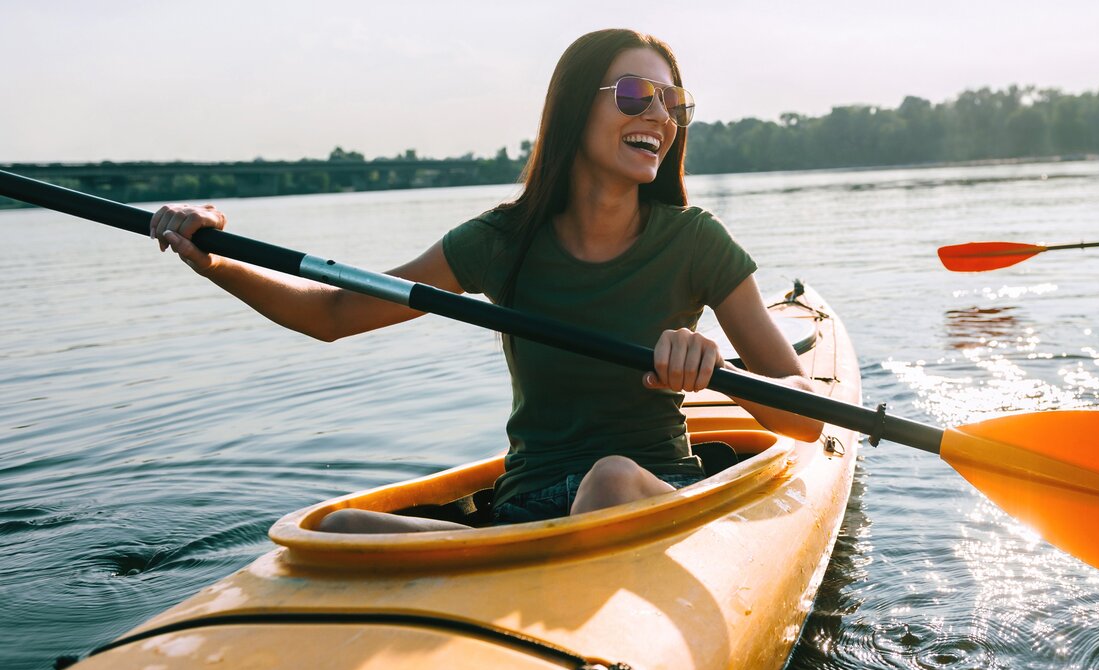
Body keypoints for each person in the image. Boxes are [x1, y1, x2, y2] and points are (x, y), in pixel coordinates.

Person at [147, 29, 823, 532]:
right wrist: (214, 258)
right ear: (572, 109)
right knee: (334, 527)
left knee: (609, 479)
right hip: (525, 511)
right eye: (634, 95)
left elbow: (803, 416)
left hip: (646, 495)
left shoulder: (695, 241)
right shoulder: (502, 241)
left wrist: (712, 369)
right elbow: (331, 313)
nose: (660, 116)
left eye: (674, 102)